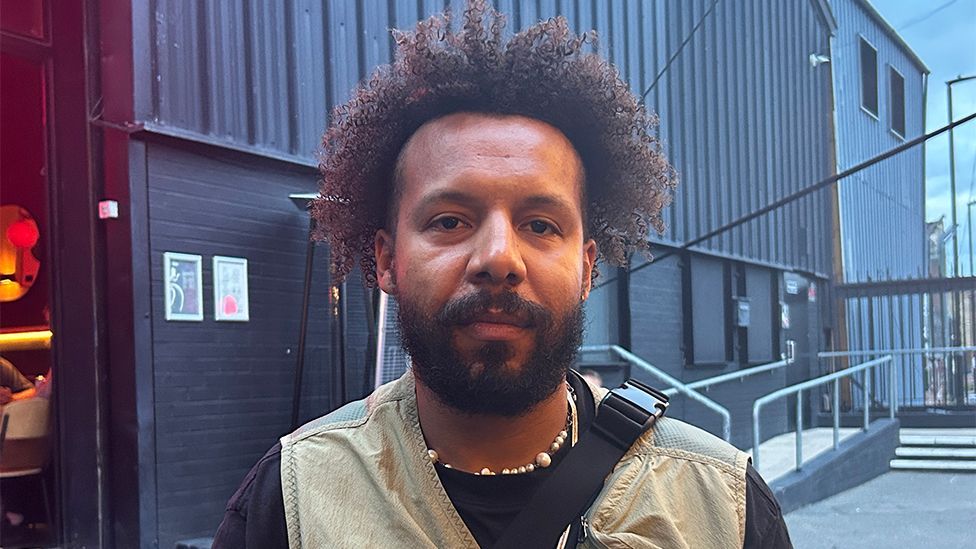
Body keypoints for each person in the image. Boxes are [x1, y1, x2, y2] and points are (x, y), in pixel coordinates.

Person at [214, 2, 792, 547]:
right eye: (449, 220)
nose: (499, 258)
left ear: (587, 267)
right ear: (387, 260)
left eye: (540, 225)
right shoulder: (290, 501)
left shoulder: (721, 503)